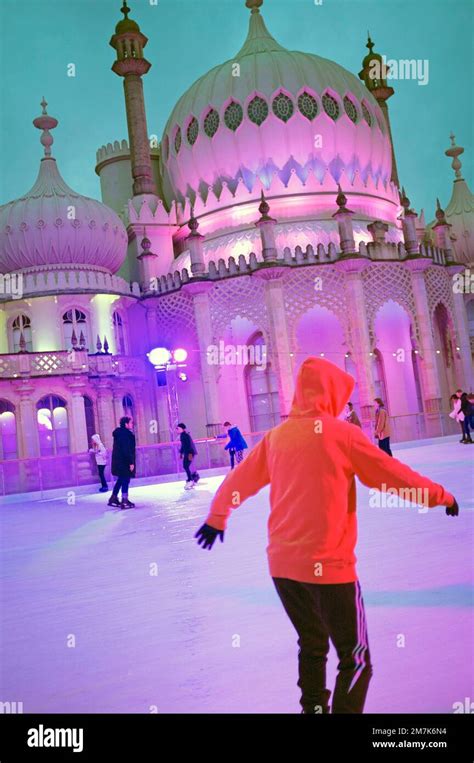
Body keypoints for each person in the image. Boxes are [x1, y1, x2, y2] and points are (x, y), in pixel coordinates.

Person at [195, 357, 459, 714]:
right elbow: (392, 476)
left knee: (312, 643)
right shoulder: (342, 435)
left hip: (284, 567)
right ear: (331, 394)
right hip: (330, 567)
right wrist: (440, 495)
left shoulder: (276, 437)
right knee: (355, 657)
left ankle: (313, 710)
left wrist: (218, 516)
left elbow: (239, 480)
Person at [108, 416, 136, 509]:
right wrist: (131, 462)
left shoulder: (119, 434)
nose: (132, 424)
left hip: (118, 461)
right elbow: (127, 449)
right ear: (126, 424)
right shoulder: (126, 435)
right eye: (131, 423)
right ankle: (124, 500)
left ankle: (113, 498)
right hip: (124, 461)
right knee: (125, 480)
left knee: (121, 479)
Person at [177, 423, 199, 489]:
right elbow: (184, 446)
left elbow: (185, 446)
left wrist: (182, 453)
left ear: (182, 429)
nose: (177, 430)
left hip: (190, 453)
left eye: (178, 428)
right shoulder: (184, 435)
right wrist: (181, 453)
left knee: (186, 465)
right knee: (187, 465)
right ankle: (193, 478)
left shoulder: (184, 435)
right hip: (189, 453)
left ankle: (191, 479)